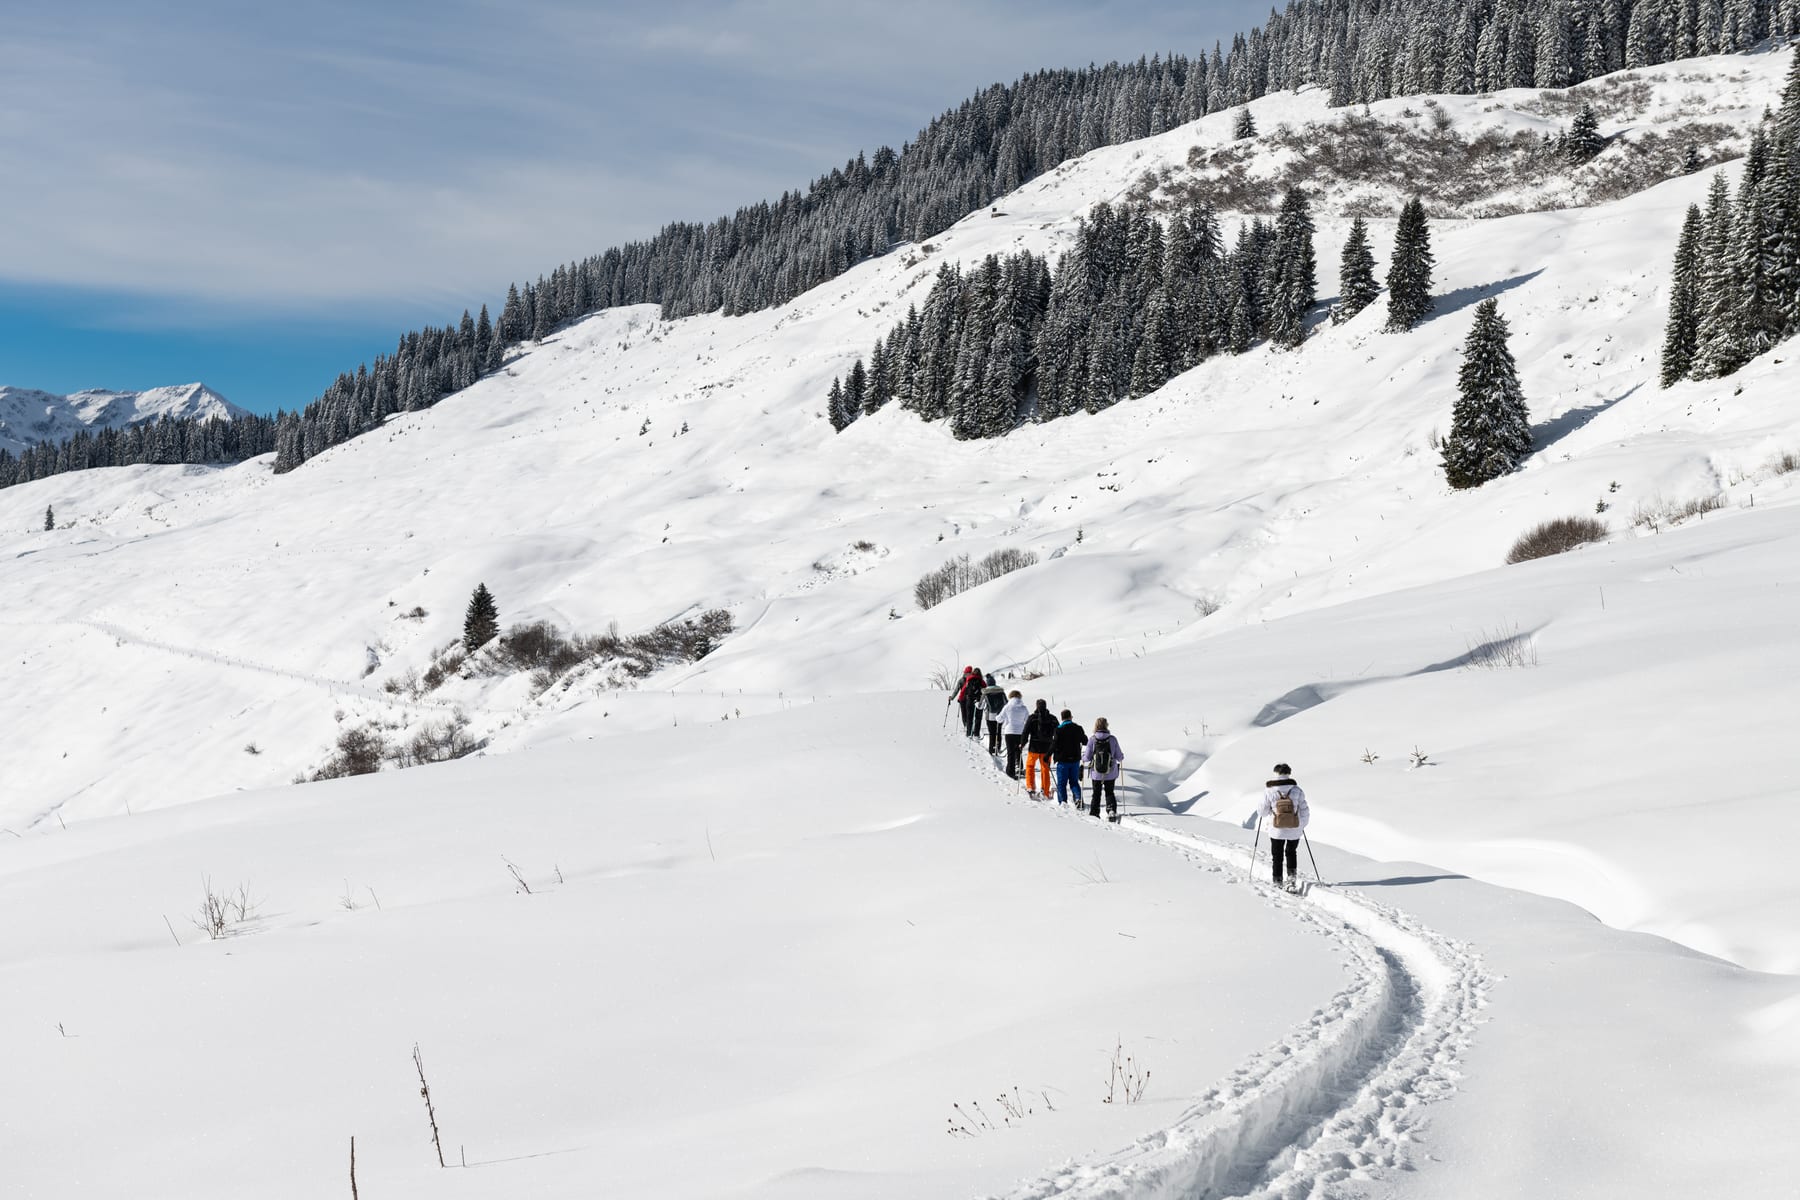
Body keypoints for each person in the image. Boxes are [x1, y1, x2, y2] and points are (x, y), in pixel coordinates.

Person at [1258, 762, 1310, 892]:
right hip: (1294, 829)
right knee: (1291, 853)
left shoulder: (1269, 791)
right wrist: (1301, 825)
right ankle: (1291, 880)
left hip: (1276, 830)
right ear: (1289, 773)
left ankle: (1277, 881)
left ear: (1276, 773)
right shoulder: (1297, 790)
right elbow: (1305, 810)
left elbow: (1262, 812)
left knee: (1277, 856)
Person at [1082, 717, 1124, 821]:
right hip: (1110, 772)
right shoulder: (1112, 739)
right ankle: (1111, 810)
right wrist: (1121, 757)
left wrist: (1083, 758)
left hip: (1096, 772)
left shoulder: (1092, 739)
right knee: (1109, 792)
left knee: (1096, 793)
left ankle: (1094, 812)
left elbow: (1087, 757)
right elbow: (1119, 756)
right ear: (1106, 725)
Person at [1050, 709, 1088, 807]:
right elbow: (1085, 741)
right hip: (1075, 760)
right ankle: (1078, 798)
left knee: (1062, 783)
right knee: (1074, 782)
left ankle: (1063, 802)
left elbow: (1054, 744)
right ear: (1071, 717)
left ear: (1062, 718)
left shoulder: (1058, 729)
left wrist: (1047, 756)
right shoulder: (1078, 728)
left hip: (1062, 760)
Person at [1022, 699, 1058, 799]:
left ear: (1036, 706)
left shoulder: (1032, 718)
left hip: (1034, 747)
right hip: (1047, 748)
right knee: (1045, 768)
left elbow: (1026, 731)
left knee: (1030, 766)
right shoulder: (1052, 718)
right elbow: (1058, 732)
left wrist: (1022, 743)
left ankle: (1030, 787)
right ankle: (1045, 790)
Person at [998, 690, 1029, 779]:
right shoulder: (1024, 708)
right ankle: (1019, 767)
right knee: (1018, 750)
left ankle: (1010, 771)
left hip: (1009, 732)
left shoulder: (1007, 707)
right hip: (1020, 732)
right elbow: (1027, 720)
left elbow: (1000, 719)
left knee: (1010, 752)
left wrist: (997, 717)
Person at [981, 673, 1007, 754]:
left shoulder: (985, 692)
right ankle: (998, 747)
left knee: (992, 732)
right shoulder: (1001, 692)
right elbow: (1006, 703)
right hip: (1000, 715)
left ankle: (991, 749)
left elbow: (980, 706)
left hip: (990, 715)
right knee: (998, 731)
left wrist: (976, 704)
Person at [955, 667, 984, 739]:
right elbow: (986, 688)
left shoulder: (969, 679)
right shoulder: (981, 680)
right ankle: (976, 734)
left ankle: (969, 733)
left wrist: (960, 698)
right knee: (978, 718)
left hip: (969, 700)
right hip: (978, 701)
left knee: (969, 717)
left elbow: (963, 690)